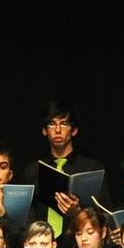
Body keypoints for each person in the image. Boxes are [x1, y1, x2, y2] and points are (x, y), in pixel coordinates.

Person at [24, 102, 105, 238]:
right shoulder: (32, 170)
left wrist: (78, 212)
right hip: (42, 243)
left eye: (64, 124)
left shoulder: (91, 168)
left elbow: (104, 212)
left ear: (74, 130)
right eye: (52, 124)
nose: (57, 130)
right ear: (44, 130)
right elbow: (26, 214)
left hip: (79, 242)